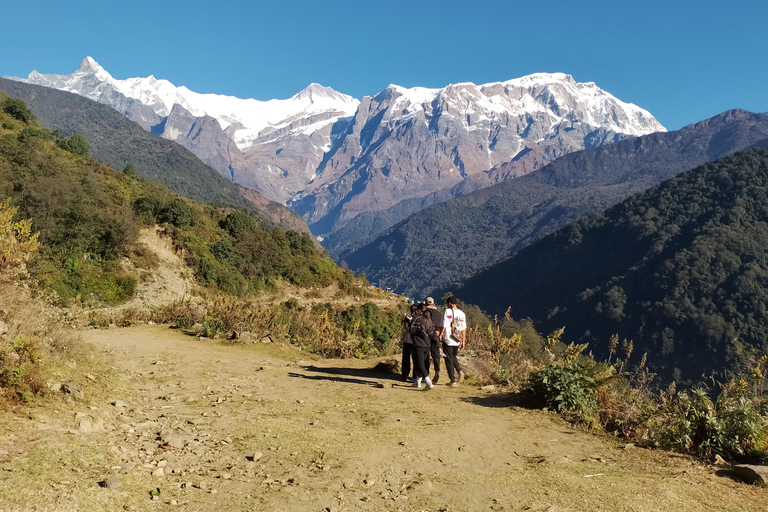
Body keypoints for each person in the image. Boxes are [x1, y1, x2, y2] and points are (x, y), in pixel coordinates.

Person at [409, 303, 435, 390]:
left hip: (419, 344)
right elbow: (432, 335)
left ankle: (428, 382)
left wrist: (410, 322)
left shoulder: (418, 320)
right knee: (423, 363)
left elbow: (412, 331)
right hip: (427, 345)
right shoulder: (431, 322)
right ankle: (418, 381)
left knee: (420, 364)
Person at [443, 296, 466, 387]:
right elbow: (463, 328)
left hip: (448, 338)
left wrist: (440, 334)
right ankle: (459, 370)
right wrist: (463, 340)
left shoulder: (447, 311)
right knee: (453, 356)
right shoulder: (462, 313)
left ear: (449, 303)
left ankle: (452, 380)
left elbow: (444, 324)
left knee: (448, 359)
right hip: (457, 339)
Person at [425, 297, 443, 384]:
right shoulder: (439, 314)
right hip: (436, 336)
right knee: (436, 356)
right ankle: (437, 371)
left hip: (427, 337)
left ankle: (426, 374)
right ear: (433, 303)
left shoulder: (425, 313)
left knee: (426, 356)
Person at [400, 304, 418, 381]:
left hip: (407, 341)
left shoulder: (406, 319)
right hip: (415, 342)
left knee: (406, 358)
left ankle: (405, 375)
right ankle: (415, 375)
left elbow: (404, 331)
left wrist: (401, 340)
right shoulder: (418, 319)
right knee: (416, 359)